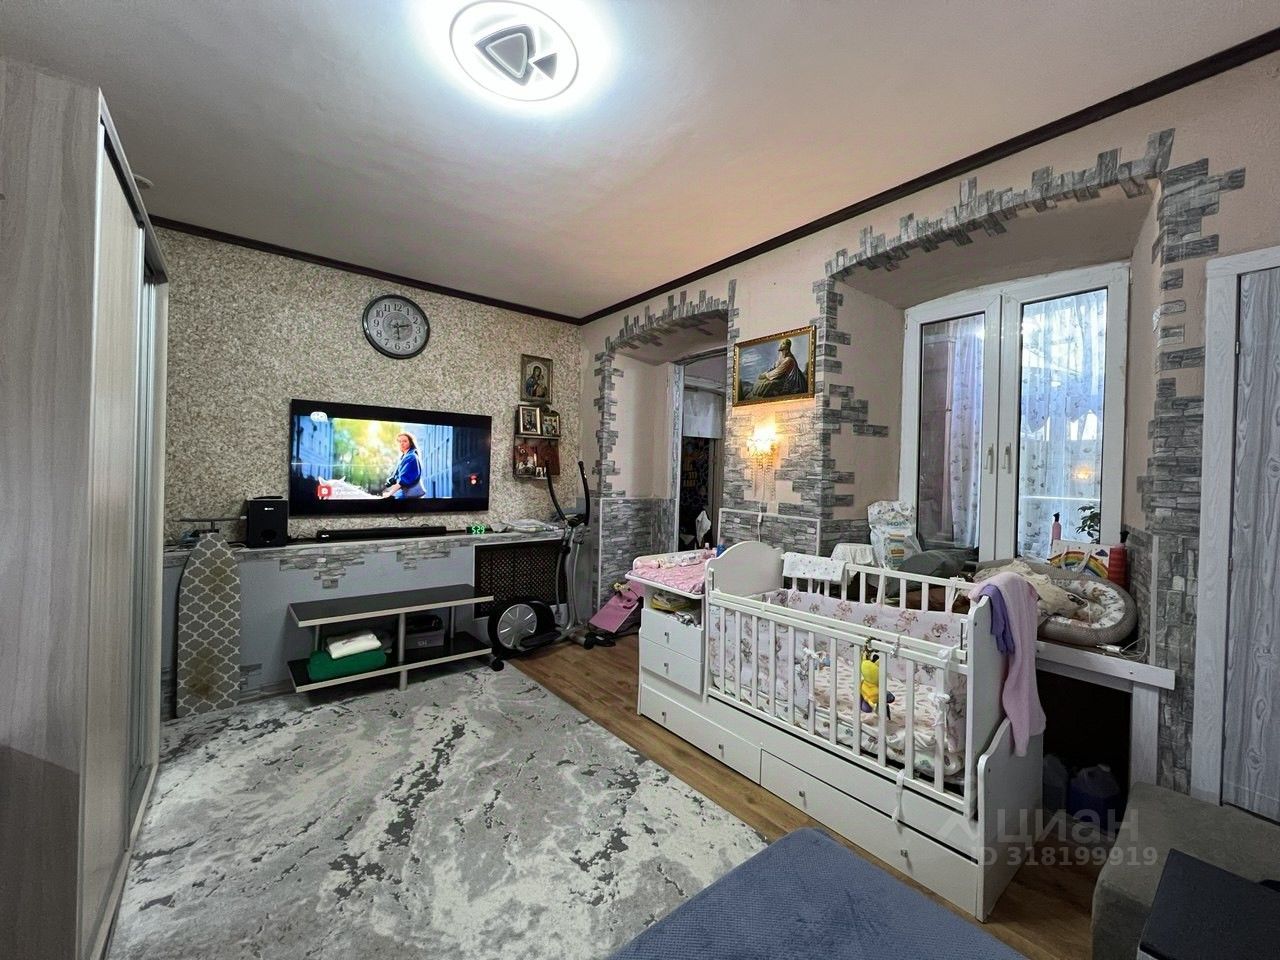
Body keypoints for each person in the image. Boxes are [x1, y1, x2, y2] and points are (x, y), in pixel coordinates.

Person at [382, 433, 425, 498]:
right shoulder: (404, 457)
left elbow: (403, 480)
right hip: (406, 493)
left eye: (405, 441)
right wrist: (391, 480)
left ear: (411, 443)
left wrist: (389, 493)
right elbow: (398, 476)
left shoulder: (411, 457)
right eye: (399, 441)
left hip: (409, 494)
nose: (401, 443)